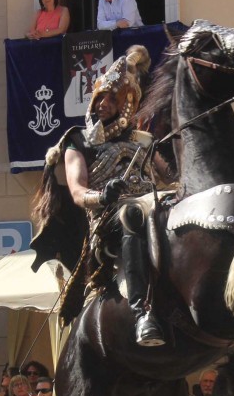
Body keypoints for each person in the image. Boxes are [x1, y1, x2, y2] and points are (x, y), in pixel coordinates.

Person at [52, 44, 161, 346]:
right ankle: (142, 312)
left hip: (152, 205)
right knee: (131, 214)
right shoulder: (77, 140)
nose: (104, 103)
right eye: (101, 96)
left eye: (113, 98)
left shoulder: (143, 143)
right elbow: (76, 190)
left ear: (127, 105)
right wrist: (103, 196)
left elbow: (167, 181)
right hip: (109, 218)